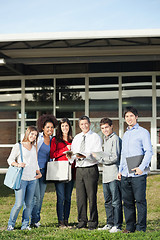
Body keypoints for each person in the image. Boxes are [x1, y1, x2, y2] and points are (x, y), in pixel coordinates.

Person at [118, 106, 153, 233]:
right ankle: (129, 227)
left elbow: (149, 151)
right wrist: (120, 170)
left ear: (136, 117)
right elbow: (123, 154)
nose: (129, 118)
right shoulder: (126, 134)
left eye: (131, 116)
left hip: (138, 174)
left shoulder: (143, 132)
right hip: (126, 173)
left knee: (140, 201)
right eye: (127, 116)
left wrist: (141, 168)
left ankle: (141, 228)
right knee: (127, 202)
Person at [7, 126, 42, 231]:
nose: (33, 136)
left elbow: (35, 162)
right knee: (19, 204)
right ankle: (10, 224)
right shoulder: (18, 146)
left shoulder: (34, 147)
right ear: (27, 133)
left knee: (29, 204)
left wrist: (39, 173)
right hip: (21, 179)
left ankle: (25, 225)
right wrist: (17, 164)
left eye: (35, 135)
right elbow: (10, 160)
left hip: (32, 179)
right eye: (32, 134)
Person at [71, 116, 102, 230]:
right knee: (80, 197)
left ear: (89, 124)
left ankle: (93, 222)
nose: (84, 126)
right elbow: (73, 153)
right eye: (81, 124)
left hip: (90, 168)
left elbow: (98, 155)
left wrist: (85, 156)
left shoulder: (95, 137)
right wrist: (71, 156)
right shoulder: (77, 138)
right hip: (79, 169)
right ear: (79, 125)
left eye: (86, 124)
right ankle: (81, 221)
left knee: (91, 197)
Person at [92, 118, 123, 233]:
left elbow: (115, 158)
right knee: (107, 201)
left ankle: (117, 225)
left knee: (116, 201)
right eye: (102, 128)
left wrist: (99, 158)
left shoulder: (115, 139)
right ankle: (110, 223)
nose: (105, 130)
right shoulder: (106, 139)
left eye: (106, 127)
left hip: (114, 175)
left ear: (111, 126)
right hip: (105, 176)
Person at [31, 114, 58, 228]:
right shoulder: (38, 138)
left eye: (52, 127)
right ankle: (31, 220)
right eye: (47, 127)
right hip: (35, 171)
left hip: (45, 171)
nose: (50, 129)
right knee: (35, 196)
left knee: (40, 197)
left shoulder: (53, 140)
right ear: (42, 127)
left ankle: (36, 220)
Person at [50, 118, 75, 228]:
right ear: (60, 128)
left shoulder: (73, 140)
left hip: (71, 170)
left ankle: (66, 220)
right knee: (61, 197)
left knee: (68, 198)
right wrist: (65, 149)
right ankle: (60, 221)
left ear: (69, 127)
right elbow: (52, 154)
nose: (65, 128)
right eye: (63, 126)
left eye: (66, 126)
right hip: (60, 171)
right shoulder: (55, 139)